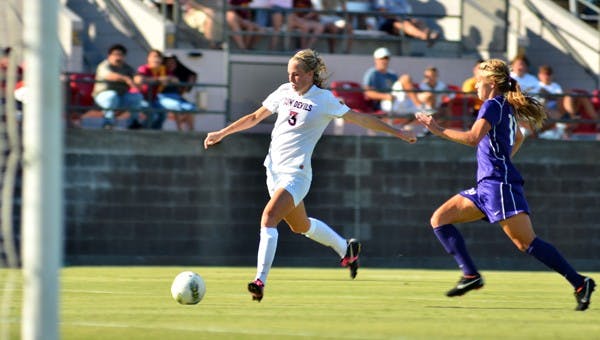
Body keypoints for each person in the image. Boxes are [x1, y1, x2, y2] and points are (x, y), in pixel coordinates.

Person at [203, 49, 416, 302]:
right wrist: (221, 133)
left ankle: (259, 280)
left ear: (311, 74)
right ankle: (345, 248)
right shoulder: (284, 91)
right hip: (273, 171)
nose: (292, 80)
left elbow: (360, 119)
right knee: (300, 226)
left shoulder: (324, 99)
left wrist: (398, 132)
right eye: (289, 74)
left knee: (269, 218)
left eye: (297, 75)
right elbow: (254, 117)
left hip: (297, 175)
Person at [414, 58, 595, 311]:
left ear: (490, 82)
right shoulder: (502, 105)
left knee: (526, 243)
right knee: (439, 219)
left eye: (478, 79)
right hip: (488, 184)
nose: (475, 84)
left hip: (499, 183)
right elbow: (518, 136)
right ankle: (470, 275)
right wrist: (502, 158)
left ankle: (579, 283)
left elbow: (472, 138)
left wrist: (437, 129)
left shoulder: (492, 105)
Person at [92, 44, 146, 129]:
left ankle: (133, 122)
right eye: (115, 54)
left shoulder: (127, 67)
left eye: (120, 55)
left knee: (137, 97)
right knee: (111, 95)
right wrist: (125, 79)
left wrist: (138, 79)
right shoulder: (104, 65)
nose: (118, 57)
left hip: (121, 97)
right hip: (102, 97)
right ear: (109, 56)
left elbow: (136, 76)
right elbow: (109, 76)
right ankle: (108, 122)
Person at [363, 47, 423, 116]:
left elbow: (399, 89)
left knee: (427, 96)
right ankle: (420, 107)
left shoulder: (392, 74)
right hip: (384, 103)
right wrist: (386, 96)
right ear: (376, 59)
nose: (384, 61)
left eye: (386, 58)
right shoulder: (372, 73)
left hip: (397, 101)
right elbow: (368, 93)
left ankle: (417, 116)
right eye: (382, 58)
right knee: (406, 78)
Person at [373, 0, 439, 47]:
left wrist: (411, 20)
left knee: (418, 22)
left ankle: (430, 34)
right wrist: (399, 18)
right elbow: (383, 13)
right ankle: (426, 37)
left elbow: (407, 14)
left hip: (402, 20)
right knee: (404, 24)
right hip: (387, 23)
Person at [162, 54, 198, 131]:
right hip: (163, 97)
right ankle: (180, 130)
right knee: (176, 106)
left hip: (176, 97)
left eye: (173, 62)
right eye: (169, 62)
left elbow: (191, 76)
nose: (171, 64)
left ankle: (192, 131)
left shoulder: (178, 73)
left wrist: (184, 87)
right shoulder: (161, 71)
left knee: (190, 108)